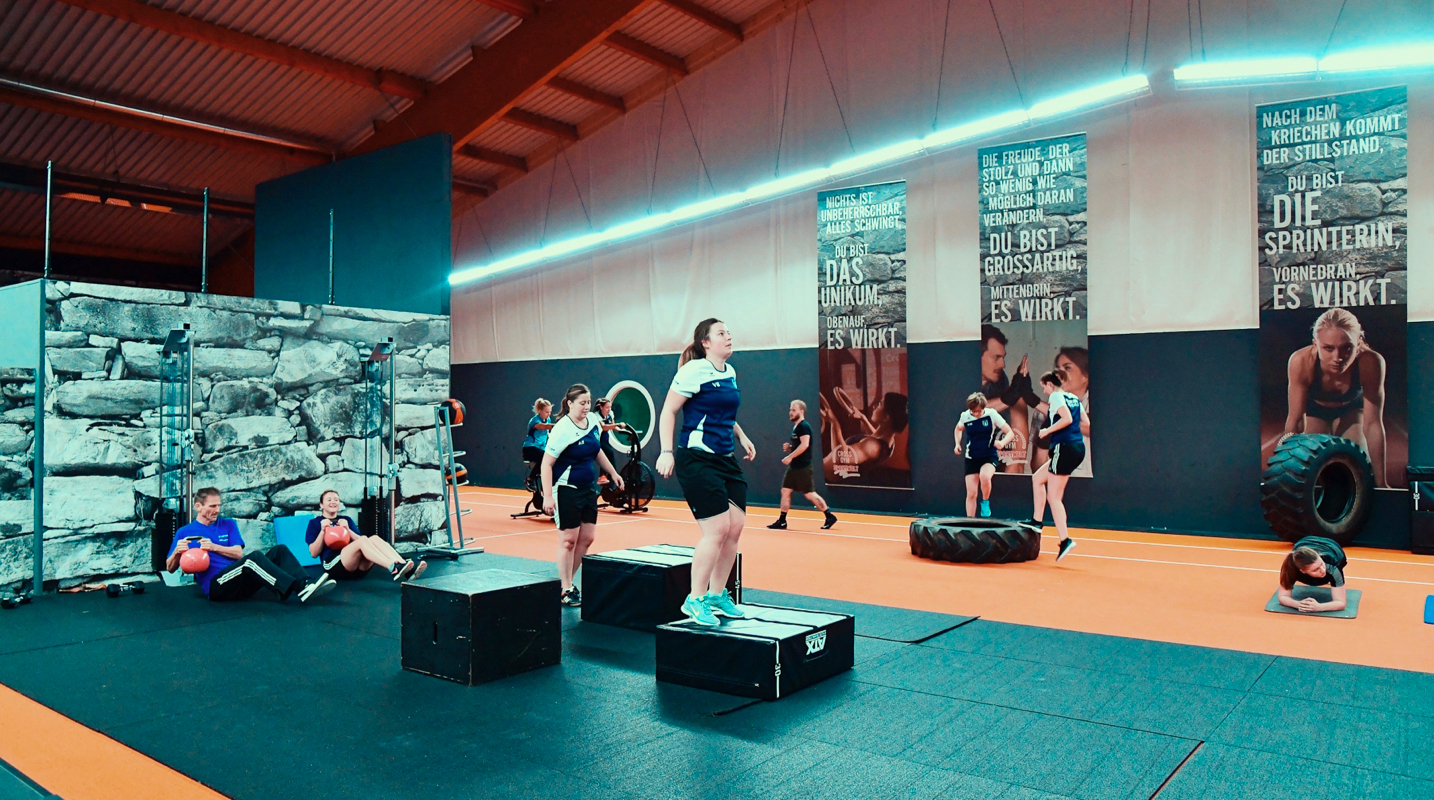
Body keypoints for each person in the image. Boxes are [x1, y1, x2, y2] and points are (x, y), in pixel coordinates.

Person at [655, 318, 755, 627]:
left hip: (725, 459)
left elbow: (723, 413)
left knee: (735, 527)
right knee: (716, 531)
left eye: (729, 331)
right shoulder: (692, 371)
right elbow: (669, 411)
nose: (729, 336)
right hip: (696, 460)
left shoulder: (730, 372)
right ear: (706, 343)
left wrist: (742, 436)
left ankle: (716, 595)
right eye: (721, 333)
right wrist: (667, 451)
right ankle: (694, 599)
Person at [165, 487, 334, 603]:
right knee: (252, 559)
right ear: (198, 507)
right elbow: (170, 568)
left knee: (279, 551)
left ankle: (305, 584)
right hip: (217, 587)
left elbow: (238, 554)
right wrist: (176, 554)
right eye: (212, 506)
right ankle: (296, 589)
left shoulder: (228, 524)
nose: (217, 510)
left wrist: (213, 547)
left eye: (219, 506)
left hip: (239, 580)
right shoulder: (184, 532)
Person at [1281, 307, 1388, 486]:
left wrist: (1382, 484)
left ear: (1359, 343)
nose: (1338, 357)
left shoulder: (1371, 362)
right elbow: (1296, 420)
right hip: (1315, 413)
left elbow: (1373, 424)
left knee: (1359, 467)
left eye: (1347, 348)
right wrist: (1287, 470)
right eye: (1328, 348)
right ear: (1315, 344)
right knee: (1313, 468)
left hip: (1351, 411)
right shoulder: (1301, 361)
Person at [541, 383, 624, 606]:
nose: (587, 407)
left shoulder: (594, 423)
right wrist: (548, 496)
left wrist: (613, 472)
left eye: (589, 402)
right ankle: (566, 587)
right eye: (582, 403)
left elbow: (596, 451)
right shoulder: (562, 429)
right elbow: (546, 464)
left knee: (587, 538)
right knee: (568, 540)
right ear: (570, 404)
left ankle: (566, 583)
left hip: (588, 488)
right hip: (566, 489)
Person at [305, 489, 426, 584]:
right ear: (321, 505)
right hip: (334, 565)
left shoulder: (346, 520)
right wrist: (322, 531)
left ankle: (405, 568)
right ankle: (392, 566)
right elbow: (313, 553)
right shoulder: (315, 523)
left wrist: (347, 530)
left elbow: (364, 542)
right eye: (329, 499)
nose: (333, 502)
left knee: (373, 538)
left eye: (336, 499)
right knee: (364, 540)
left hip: (358, 568)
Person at [1028, 370, 1085, 561]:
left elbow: (1067, 418)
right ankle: (1037, 521)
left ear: (1050, 384)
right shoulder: (1074, 398)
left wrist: (1047, 431)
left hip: (1064, 446)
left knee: (1054, 497)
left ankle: (1065, 539)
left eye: (1044, 386)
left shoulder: (1056, 397)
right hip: (1077, 447)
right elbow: (1084, 421)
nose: (1044, 391)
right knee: (1037, 479)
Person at [979, 324, 1042, 473]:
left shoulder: (1011, 394)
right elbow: (965, 411)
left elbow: (1017, 461)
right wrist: (1008, 398)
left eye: (1003, 357)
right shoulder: (953, 388)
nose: (1003, 364)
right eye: (997, 357)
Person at [768, 399, 838, 530]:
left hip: (803, 467)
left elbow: (805, 445)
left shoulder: (804, 426)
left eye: (793, 410)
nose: (790, 412)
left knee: (809, 493)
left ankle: (829, 516)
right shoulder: (796, 427)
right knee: (785, 490)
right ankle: (782, 521)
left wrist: (790, 456)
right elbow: (799, 444)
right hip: (794, 467)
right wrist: (791, 447)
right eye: (790, 410)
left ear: (801, 411)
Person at [1032, 346, 1092, 477]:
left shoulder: (1098, 405)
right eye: (1057, 369)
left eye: (1067, 368)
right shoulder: (1041, 413)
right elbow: (1036, 467)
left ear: (1086, 375)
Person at [819, 390, 909, 474]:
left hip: (823, 477)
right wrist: (863, 419)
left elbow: (841, 458)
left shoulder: (872, 446)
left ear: (886, 417)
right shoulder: (889, 442)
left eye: (880, 404)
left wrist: (834, 423)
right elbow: (876, 436)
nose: (874, 406)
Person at [954, 392, 1014, 517]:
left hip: (988, 455)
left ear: (983, 408)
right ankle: (970, 522)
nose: (976, 414)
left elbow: (1010, 432)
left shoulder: (991, 414)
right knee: (971, 493)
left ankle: (985, 502)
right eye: (974, 411)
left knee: (985, 477)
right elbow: (958, 429)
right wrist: (957, 443)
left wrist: (1002, 443)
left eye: (979, 411)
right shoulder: (965, 416)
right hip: (971, 457)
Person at [1277, 536, 1349, 613]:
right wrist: (1299, 604)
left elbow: (1341, 603)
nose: (1322, 570)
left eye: (1321, 564)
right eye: (1316, 569)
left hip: (1333, 546)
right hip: (1304, 542)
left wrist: (1319, 607)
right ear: (1302, 571)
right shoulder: (1291, 567)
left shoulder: (1332, 566)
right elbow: (1283, 596)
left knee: (1334, 575)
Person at [521, 398, 555, 489]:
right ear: (540, 411)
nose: (549, 414)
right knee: (545, 458)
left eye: (550, 412)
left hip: (541, 448)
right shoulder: (535, 421)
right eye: (546, 412)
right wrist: (558, 426)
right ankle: (529, 479)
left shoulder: (548, 420)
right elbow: (543, 427)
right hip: (530, 448)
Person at [594, 397, 619, 476]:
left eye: (610, 407)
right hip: (598, 439)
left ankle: (603, 477)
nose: (609, 409)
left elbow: (613, 426)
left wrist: (622, 430)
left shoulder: (610, 414)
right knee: (610, 453)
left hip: (605, 439)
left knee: (605, 457)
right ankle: (613, 474)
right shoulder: (597, 415)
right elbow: (604, 427)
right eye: (607, 407)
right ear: (601, 407)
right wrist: (617, 424)